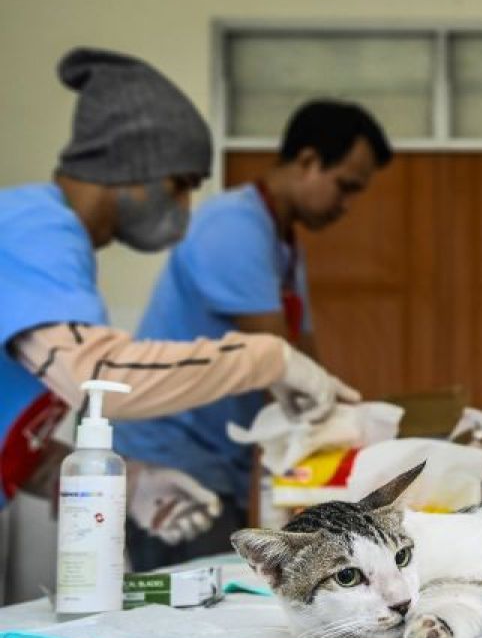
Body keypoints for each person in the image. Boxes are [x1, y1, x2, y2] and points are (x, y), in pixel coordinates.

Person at [0, 48, 358, 600]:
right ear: (131, 168)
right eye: (181, 183)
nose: (188, 208)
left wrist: (132, 481)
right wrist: (268, 357)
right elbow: (103, 376)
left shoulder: (56, 245)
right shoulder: (35, 229)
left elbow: (13, 438)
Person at [113, 99, 392, 570]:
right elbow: (276, 360)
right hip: (174, 459)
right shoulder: (233, 227)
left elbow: (308, 365)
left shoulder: (281, 241)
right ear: (307, 162)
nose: (346, 206)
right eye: (344, 187)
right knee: (190, 613)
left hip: (220, 459)